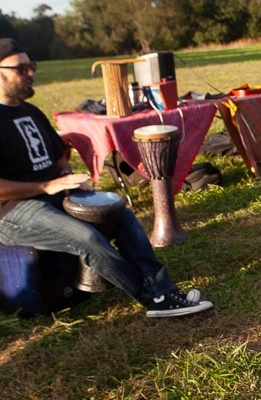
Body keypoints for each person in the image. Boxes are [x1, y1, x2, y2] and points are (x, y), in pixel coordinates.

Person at [0, 38, 213, 318]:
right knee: (87, 238)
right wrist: (46, 185)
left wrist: (65, 175)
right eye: (21, 68)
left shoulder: (31, 112)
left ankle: (165, 289)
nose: (31, 73)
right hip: (14, 212)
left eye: (32, 66)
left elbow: (58, 153)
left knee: (122, 217)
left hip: (53, 195)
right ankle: (154, 301)